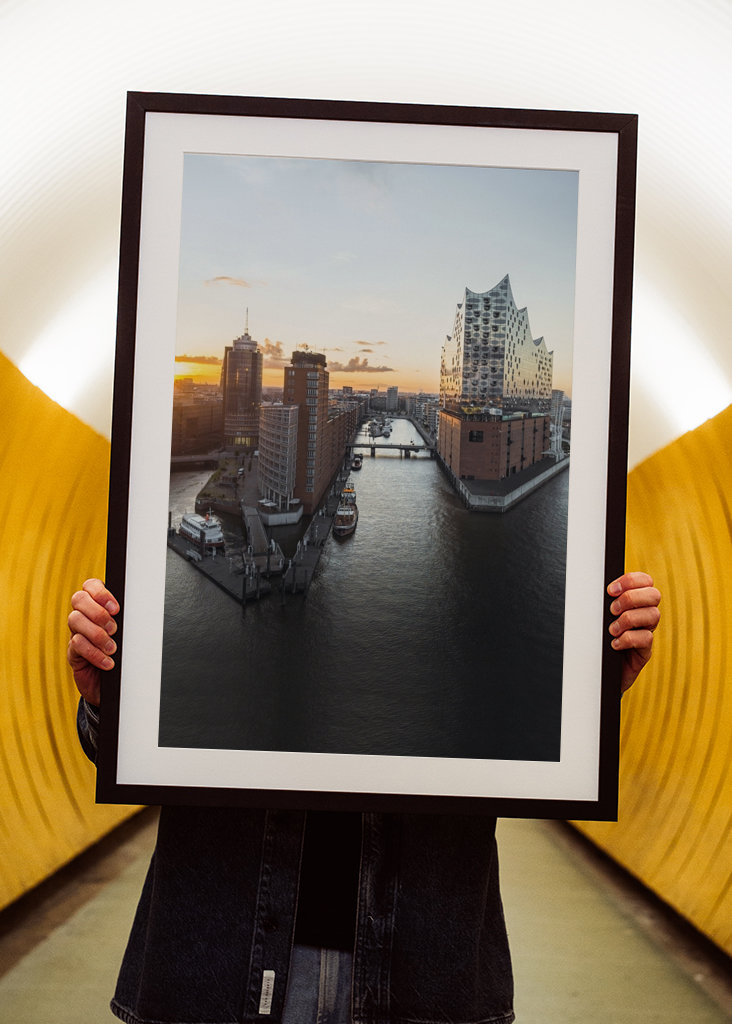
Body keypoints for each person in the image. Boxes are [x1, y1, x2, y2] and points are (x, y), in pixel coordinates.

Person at [68, 572, 661, 1024]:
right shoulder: (204, 621)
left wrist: (587, 692)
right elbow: (132, 749)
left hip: (421, 966)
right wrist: (109, 701)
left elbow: (512, 729)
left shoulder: (476, 612)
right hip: (220, 958)